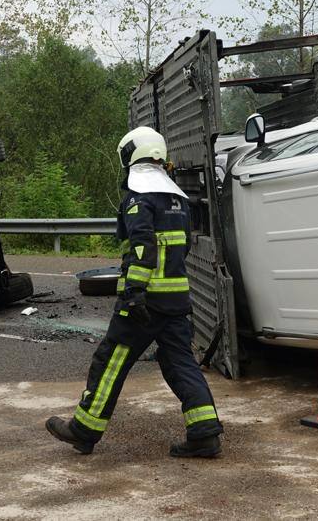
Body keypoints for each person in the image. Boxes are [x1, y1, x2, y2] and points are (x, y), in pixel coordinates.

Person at [46, 126, 224, 458]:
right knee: (179, 362)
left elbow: (142, 247)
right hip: (175, 300)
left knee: (110, 360)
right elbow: (179, 249)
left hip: (144, 302)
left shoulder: (138, 197)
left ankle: (84, 430)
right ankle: (204, 432)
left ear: (131, 155)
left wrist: (135, 292)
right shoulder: (177, 199)